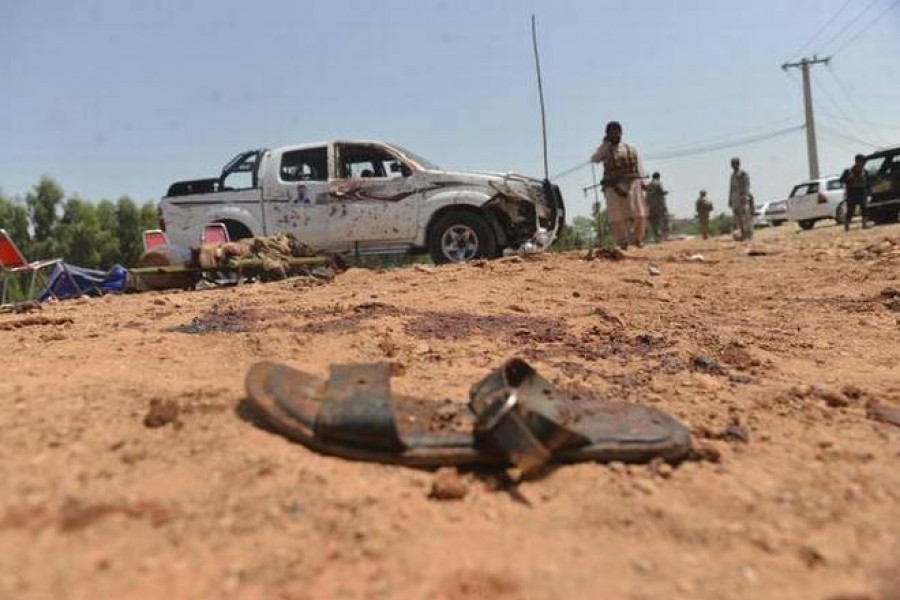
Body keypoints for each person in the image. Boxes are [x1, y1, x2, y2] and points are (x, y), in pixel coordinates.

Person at [590, 121, 647, 249]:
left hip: (632, 183)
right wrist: (605, 144)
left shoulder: (630, 148)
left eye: (617, 131)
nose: (615, 134)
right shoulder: (605, 148)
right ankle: (622, 241)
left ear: (621, 132)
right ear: (608, 134)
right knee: (616, 215)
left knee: (639, 213)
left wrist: (643, 182)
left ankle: (638, 238)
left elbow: (638, 165)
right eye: (612, 132)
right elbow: (594, 159)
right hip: (612, 185)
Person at [839, 154, 869, 231]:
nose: (862, 163)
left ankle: (864, 223)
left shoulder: (865, 171)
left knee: (864, 207)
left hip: (862, 191)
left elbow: (867, 182)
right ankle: (847, 223)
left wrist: (868, 190)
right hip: (852, 191)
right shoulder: (848, 171)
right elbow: (842, 180)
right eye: (861, 161)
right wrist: (849, 179)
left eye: (863, 161)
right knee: (851, 209)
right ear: (857, 161)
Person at [728, 157, 753, 241]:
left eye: (734, 164)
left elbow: (747, 186)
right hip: (735, 198)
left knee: (745, 217)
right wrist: (730, 199)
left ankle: (748, 235)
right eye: (732, 164)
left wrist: (745, 196)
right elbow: (731, 188)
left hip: (742, 197)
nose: (733, 166)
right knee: (738, 218)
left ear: (738, 164)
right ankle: (743, 234)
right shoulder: (732, 175)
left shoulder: (743, 174)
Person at [645, 172, 670, 242]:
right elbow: (661, 191)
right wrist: (665, 192)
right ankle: (664, 236)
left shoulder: (649, 184)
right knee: (664, 219)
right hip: (659, 205)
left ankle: (657, 237)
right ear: (658, 177)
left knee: (653, 221)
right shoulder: (658, 183)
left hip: (650, 205)